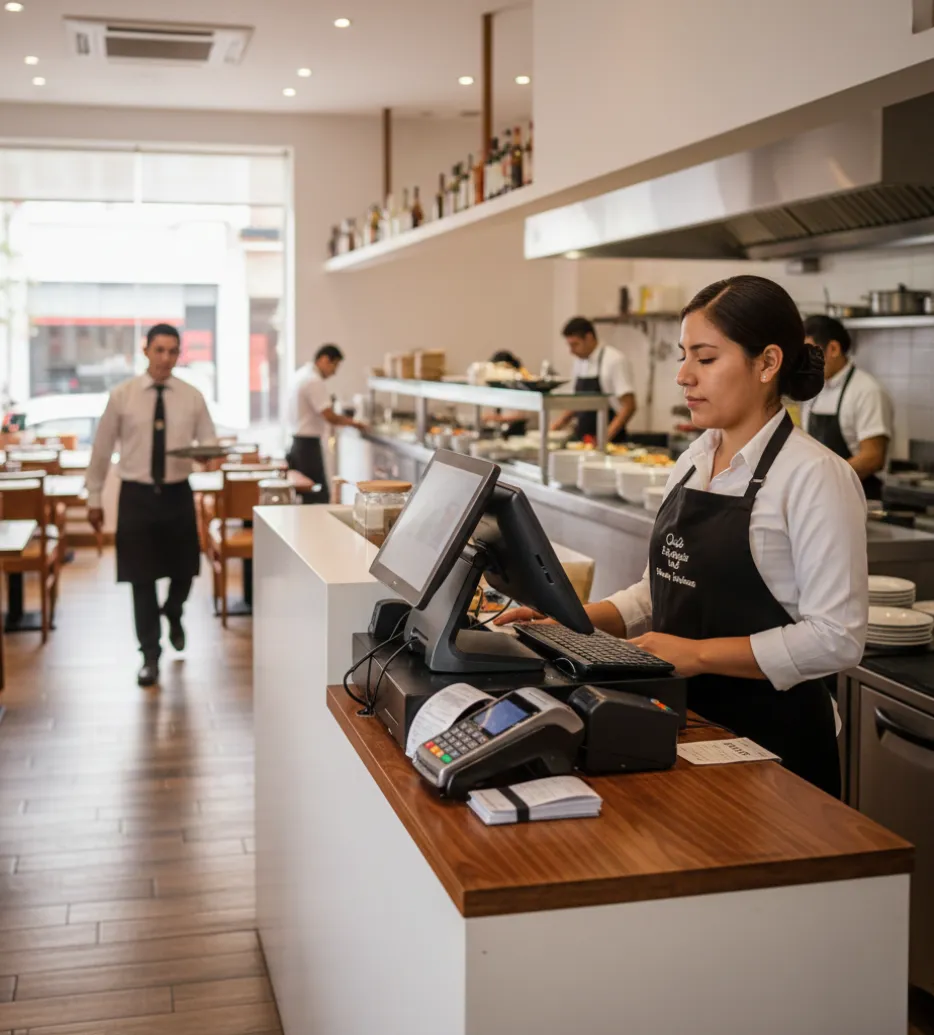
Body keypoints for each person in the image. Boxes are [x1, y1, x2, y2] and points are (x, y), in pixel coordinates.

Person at [501, 276, 869, 797]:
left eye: (705, 358)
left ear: (767, 363)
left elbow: (837, 637)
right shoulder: (693, 461)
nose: (682, 376)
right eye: (683, 356)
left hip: (776, 751)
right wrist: (566, 617)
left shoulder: (815, 476)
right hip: (684, 728)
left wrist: (693, 654)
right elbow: (661, 593)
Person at [87, 324, 217, 688]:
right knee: (140, 580)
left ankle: (173, 612)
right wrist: (94, 497)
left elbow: (208, 439)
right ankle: (150, 656)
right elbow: (101, 450)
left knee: (185, 571)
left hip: (177, 493)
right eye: (159, 350)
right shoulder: (122, 396)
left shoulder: (191, 396)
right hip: (136, 497)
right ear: (146, 351)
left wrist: (209, 456)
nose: (166, 358)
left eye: (173, 351)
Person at [800, 314, 892, 499]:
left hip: (860, 496)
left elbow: (873, 457)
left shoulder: (867, 390)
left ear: (833, 349)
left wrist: (825, 479)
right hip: (820, 494)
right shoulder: (813, 391)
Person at [287, 344, 365, 503]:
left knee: (308, 497)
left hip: (298, 443)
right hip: (307, 446)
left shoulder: (301, 375)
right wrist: (355, 423)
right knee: (318, 497)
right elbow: (329, 415)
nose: (334, 372)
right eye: (334, 365)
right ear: (324, 360)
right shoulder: (313, 380)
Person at [550, 317, 637, 444]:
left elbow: (629, 406)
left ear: (589, 338)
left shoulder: (614, 360)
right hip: (583, 439)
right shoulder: (579, 362)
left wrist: (603, 438)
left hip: (611, 442)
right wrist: (553, 429)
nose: (572, 351)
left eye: (575, 344)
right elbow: (577, 403)